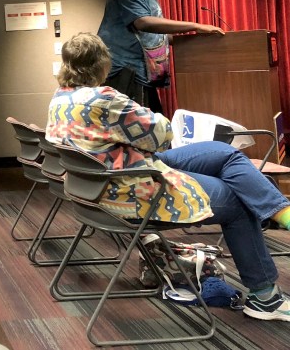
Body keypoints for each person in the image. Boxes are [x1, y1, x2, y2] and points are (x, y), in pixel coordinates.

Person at [47, 32, 290, 323]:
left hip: (108, 181)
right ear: (102, 65)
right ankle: (265, 297)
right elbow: (162, 134)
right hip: (131, 189)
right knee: (238, 200)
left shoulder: (59, 100)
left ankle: (280, 212)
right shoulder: (104, 99)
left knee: (225, 154)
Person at [97, 0, 223, 113]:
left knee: (154, 127)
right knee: (138, 131)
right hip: (125, 71)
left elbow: (156, 36)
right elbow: (143, 22)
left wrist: (195, 40)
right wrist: (195, 25)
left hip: (139, 71)